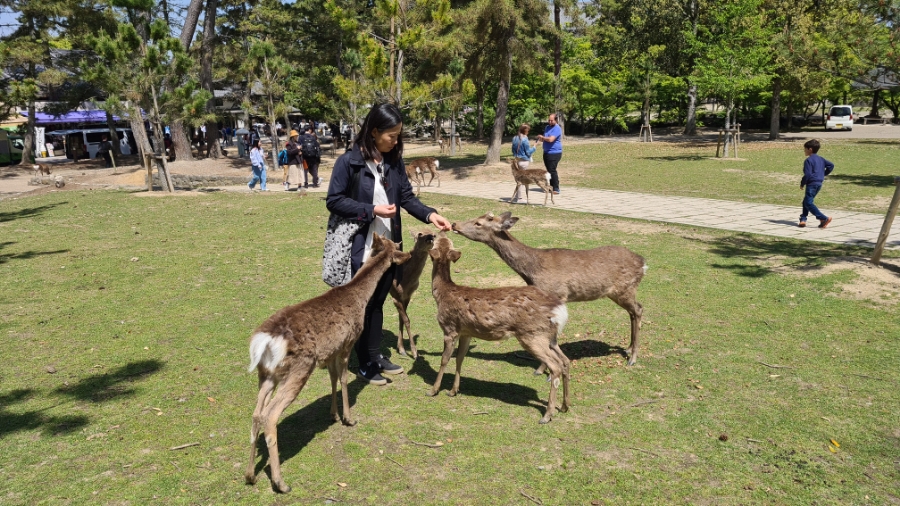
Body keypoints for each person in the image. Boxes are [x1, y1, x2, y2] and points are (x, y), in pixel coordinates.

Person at [326, 102, 452, 385]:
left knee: (380, 300)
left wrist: (430, 214)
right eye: (391, 135)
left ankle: (374, 355)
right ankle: (364, 362)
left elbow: (406, 198)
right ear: (373, 132)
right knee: (363, 303)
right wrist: (371, 210)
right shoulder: (349, 163)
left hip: (388, 247)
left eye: (398, 135)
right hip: (363, 245)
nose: (396, 140)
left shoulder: (393, 163)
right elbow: (334, 201)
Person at [798, 139, 834, 228]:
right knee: (806, 201)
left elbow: (808, 174)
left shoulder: (808, 160)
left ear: (810, 149)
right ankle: (803, 219)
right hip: (819, 183)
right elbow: (831, 165)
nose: (804, 151)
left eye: (805, 149)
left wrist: (802, 183)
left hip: (811, 184)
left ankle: (823, 218)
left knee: (808, 203)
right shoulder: (821, 159)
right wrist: (823, 174)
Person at [536, 113, 563, 194]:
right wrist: (540, 139)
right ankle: (550, 187)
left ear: (556, 120)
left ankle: (556, 188)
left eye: (552, 120)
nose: (550, 122)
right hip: (546, 152)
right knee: (549, 170)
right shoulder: (547, 127)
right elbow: (545, 138)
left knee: (552, 170)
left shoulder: (557, 128)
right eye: (549, 120)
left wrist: (543, 137)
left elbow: (551, 139)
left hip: (554, 152)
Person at [511, 123, 537, 203]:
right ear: (525, 131)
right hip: (524, 161)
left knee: (519, 179)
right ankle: (520, 198)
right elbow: (528, 152)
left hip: (517, 161)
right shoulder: (525, 140)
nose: (528, 132)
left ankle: (517, 196)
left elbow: (512, 150)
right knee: (522, 180)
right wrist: (534, 147)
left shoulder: (515, 138)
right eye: (528, 131)